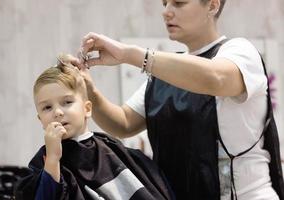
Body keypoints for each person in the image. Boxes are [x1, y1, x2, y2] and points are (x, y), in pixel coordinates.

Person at [66, 0, 284, 200]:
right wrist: (89, 90)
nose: (166, 12)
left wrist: (130, 55)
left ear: (212, 5)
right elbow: (123, 123)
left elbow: (215, 78)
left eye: (179, 3)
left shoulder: (240, 52)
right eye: (164, 3)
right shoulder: (164, 72)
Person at [14, 55, 174, 200]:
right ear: (40, 119)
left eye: (67, 102)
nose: (57, 112)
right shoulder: (44, 160)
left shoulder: (111, 148)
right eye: (47, 107)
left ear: (87, 109)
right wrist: (52, 160)